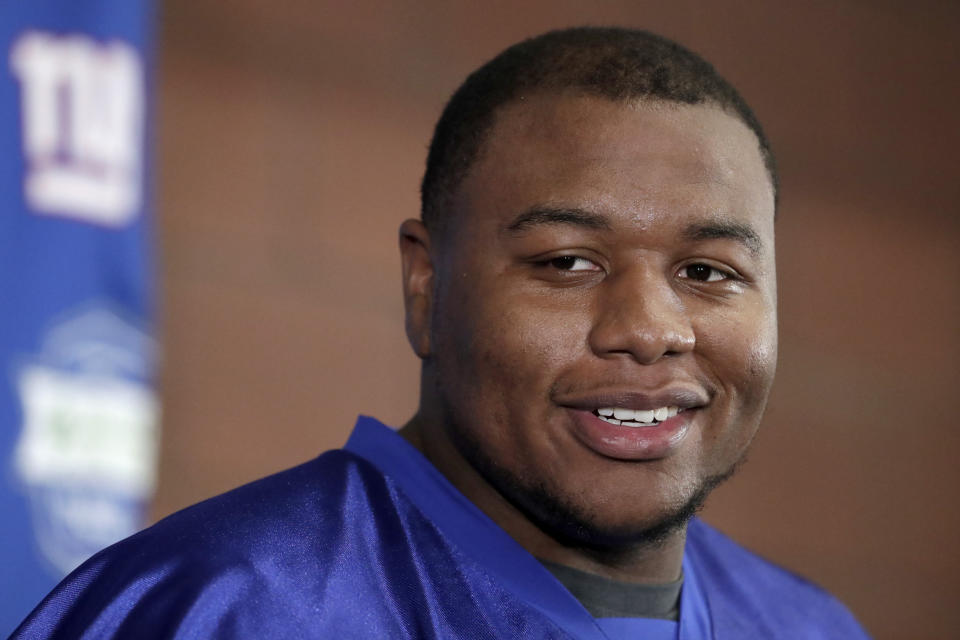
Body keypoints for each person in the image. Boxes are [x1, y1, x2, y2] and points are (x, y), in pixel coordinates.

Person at [12, 27, 871, 639]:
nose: (649, 331)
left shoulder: (810, 626)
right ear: (426, 286)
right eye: (569, 262)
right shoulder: (219, 609)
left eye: (709, 273)